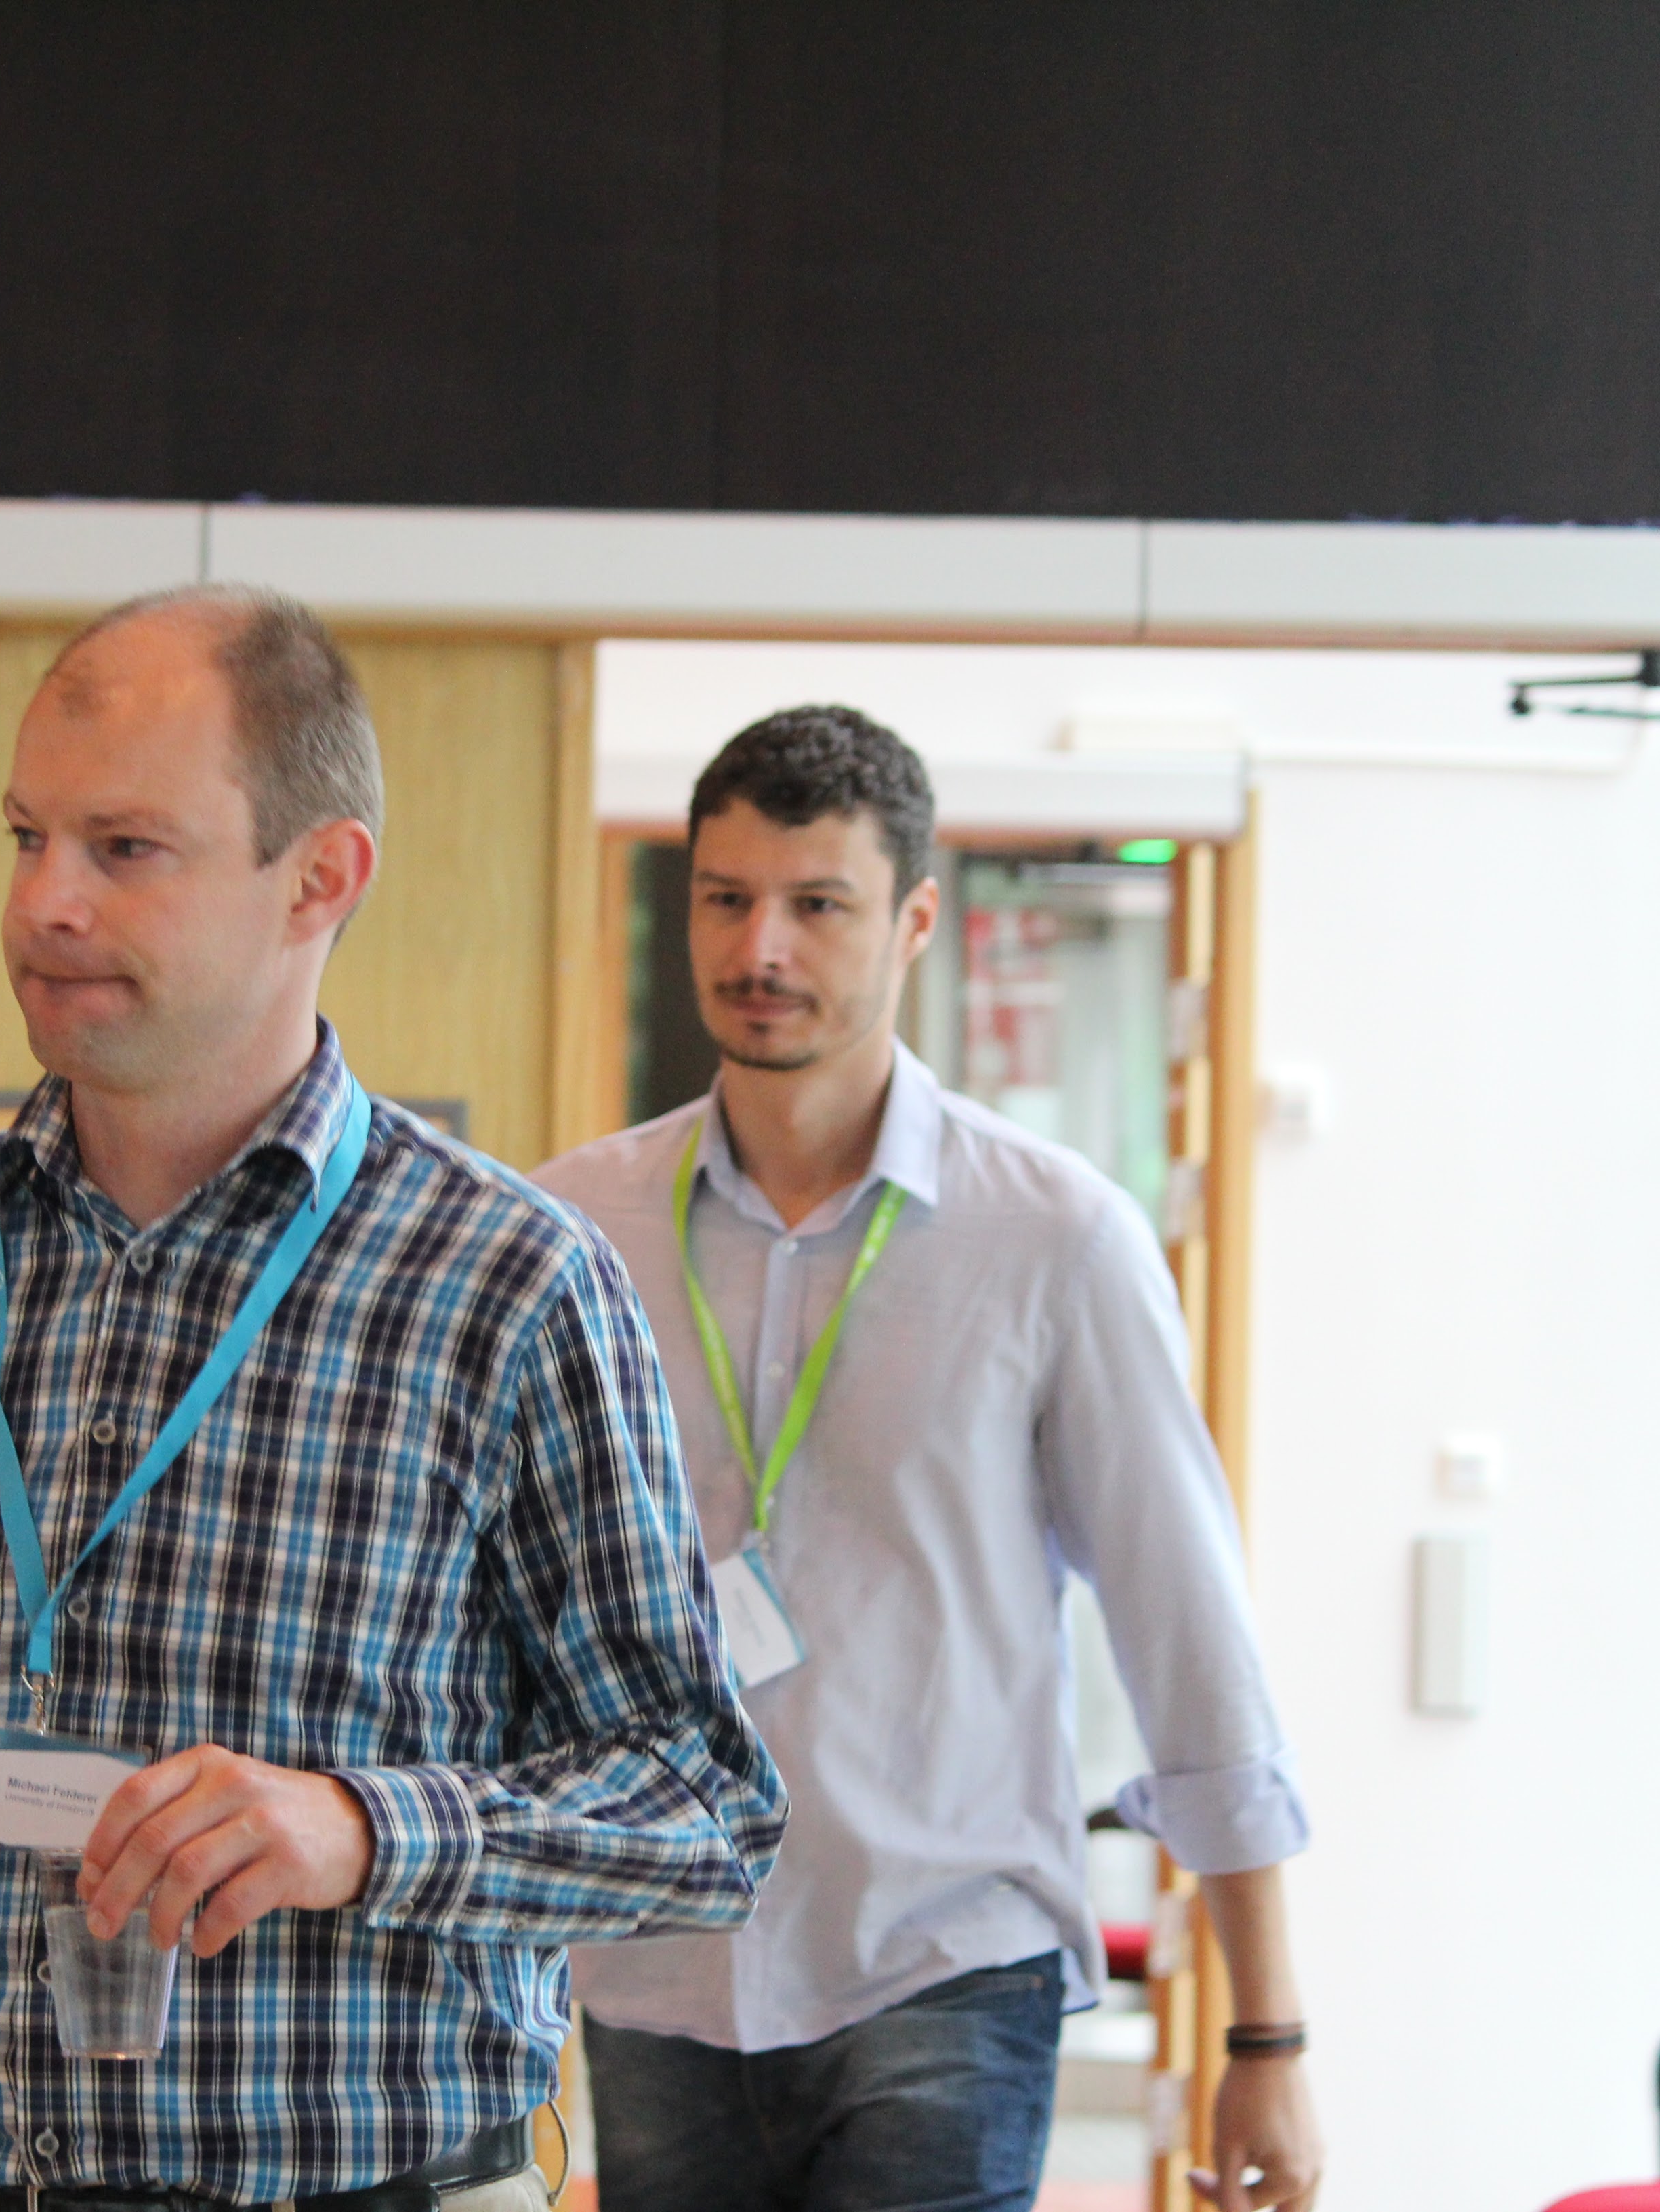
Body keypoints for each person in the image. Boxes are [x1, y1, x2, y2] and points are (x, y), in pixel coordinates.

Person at [0, 586, 785, 2212]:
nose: (45, 905)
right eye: (26, 838)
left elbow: (701, 1805)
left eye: (125, 848)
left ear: (320, 878)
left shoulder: (507, 1285)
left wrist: (362, 1829)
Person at [535, 707, 1323, 2212]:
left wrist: (1265, 2031)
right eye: (725, 897)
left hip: (943, 1960)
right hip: (657, 1966)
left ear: (912, 922)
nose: (760, 946)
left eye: (816, 904)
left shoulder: (1054, 1237)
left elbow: (1188, 1634)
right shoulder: (574, 1231)